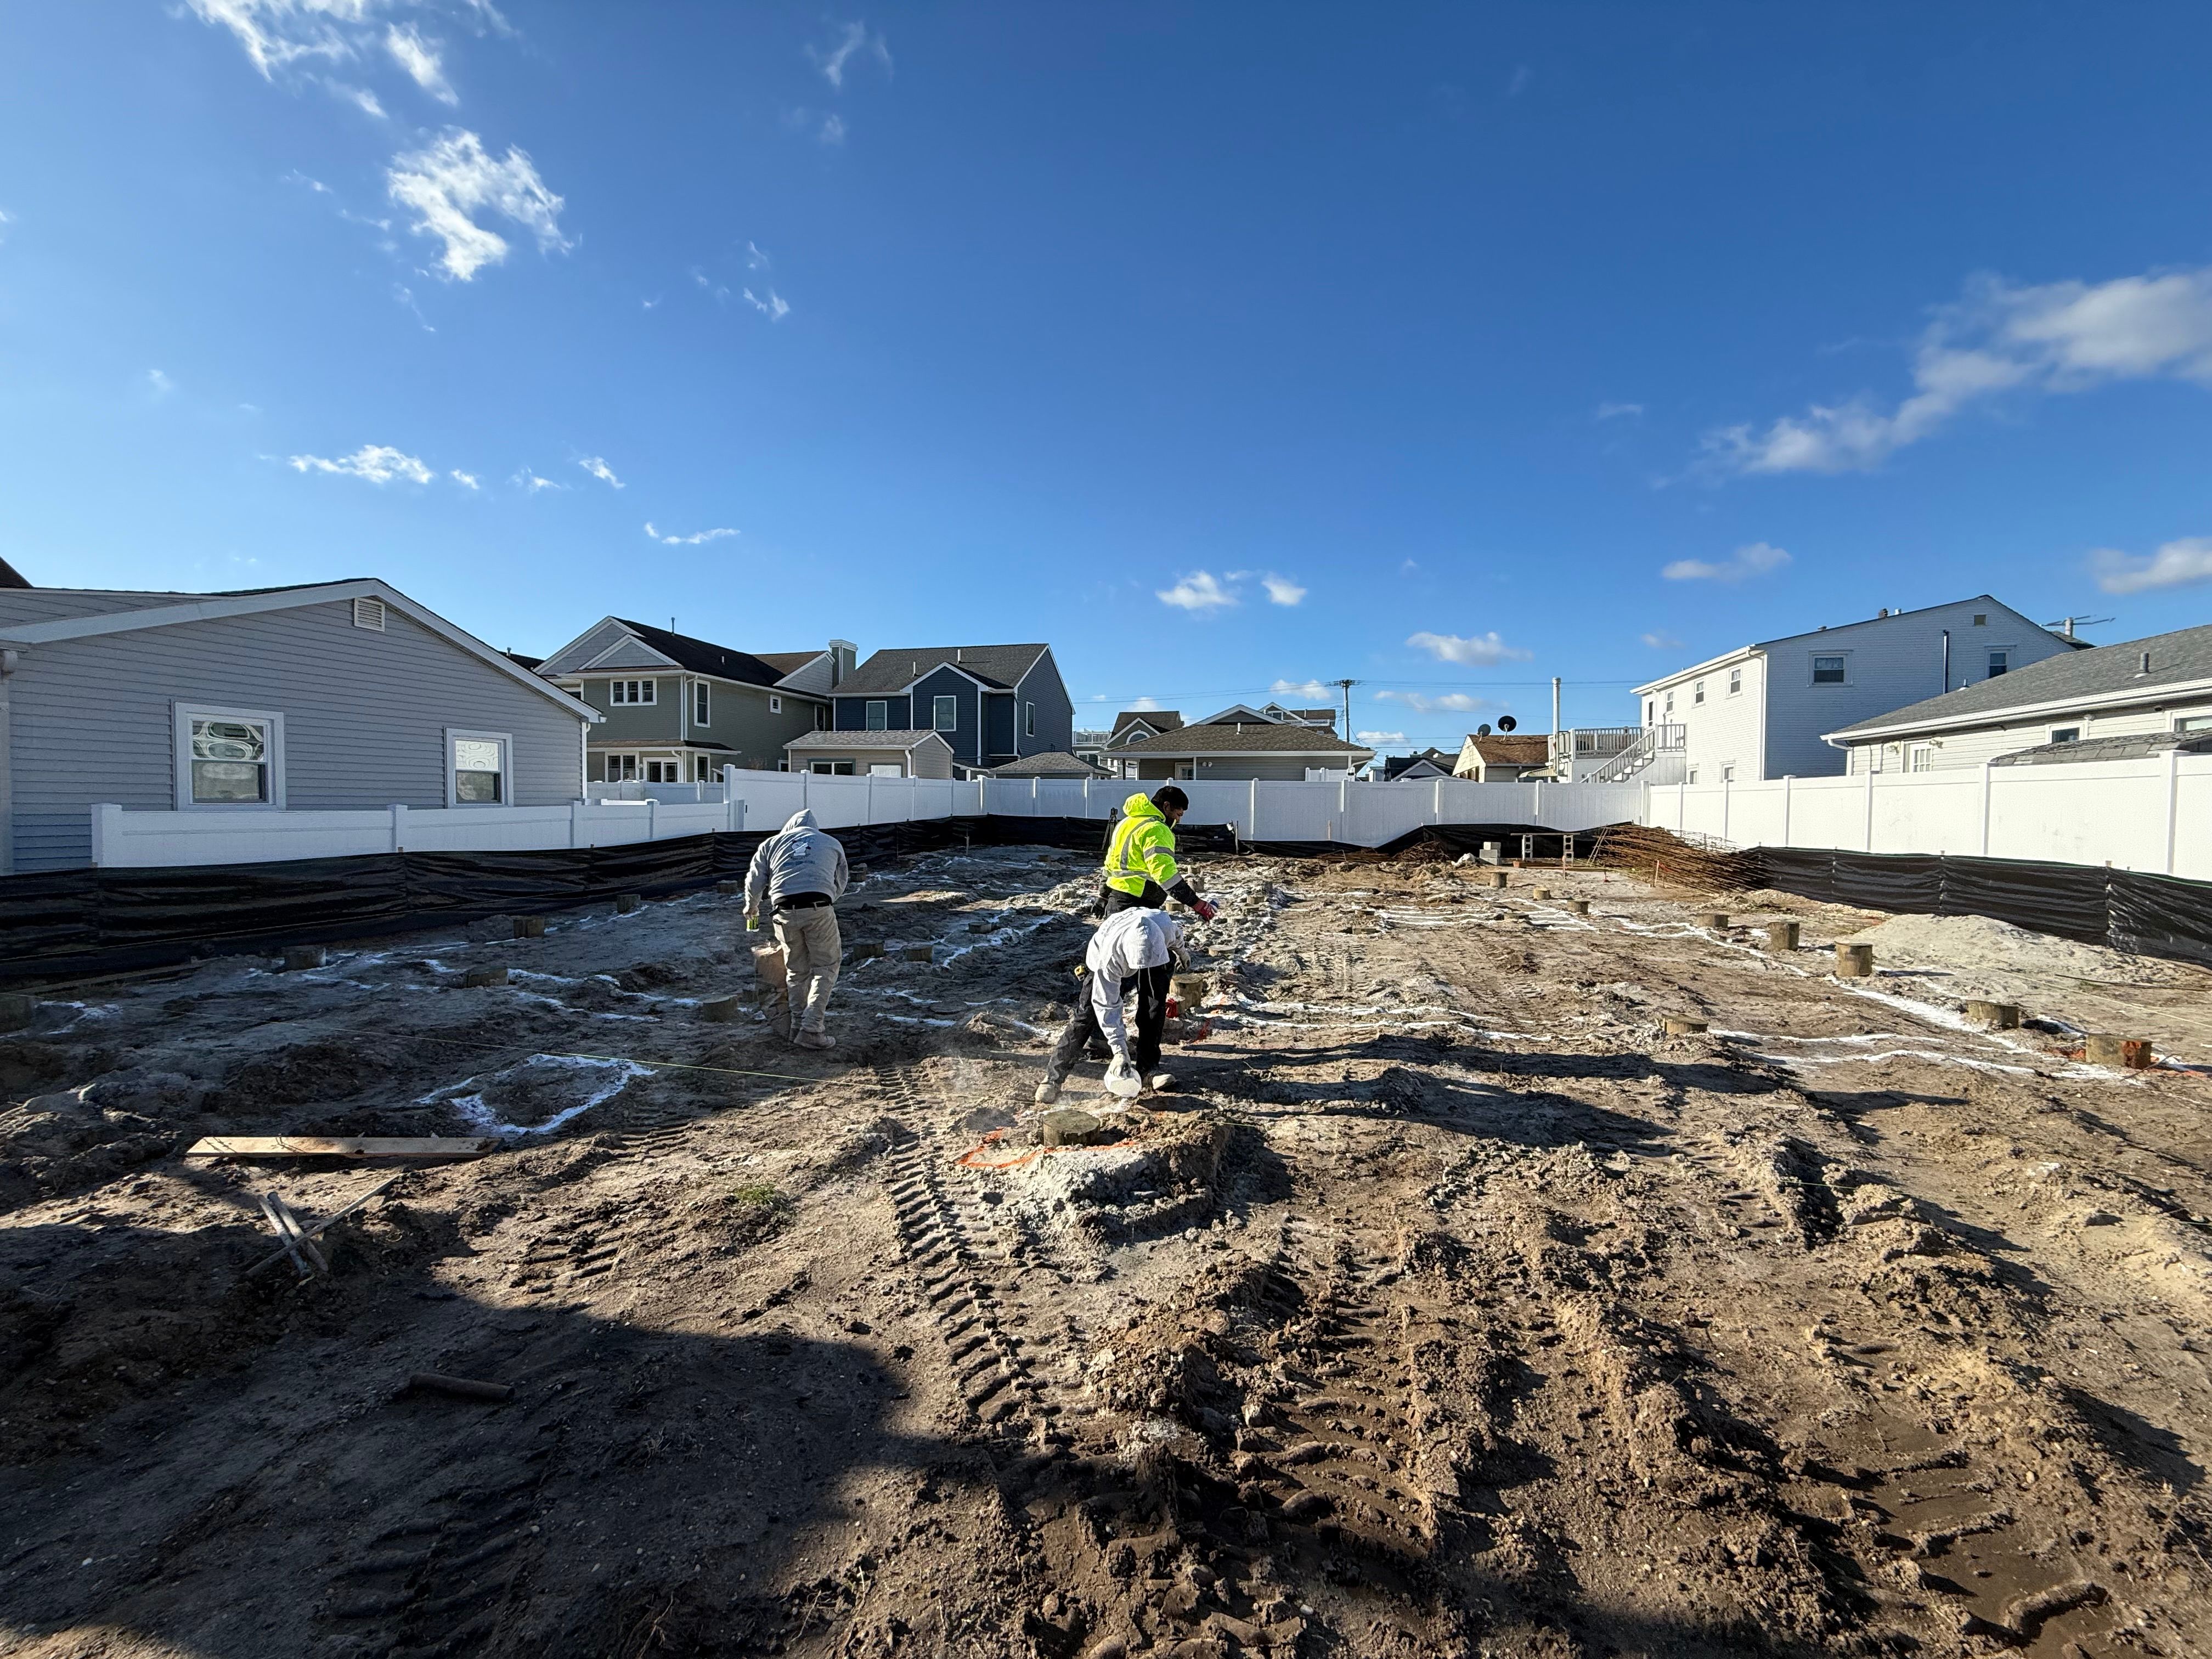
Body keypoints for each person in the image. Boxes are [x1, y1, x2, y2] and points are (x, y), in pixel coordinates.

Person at [1035, 904, 1186, 1105]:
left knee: (1154, 1007)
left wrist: (1183, 953)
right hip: (1107, 950)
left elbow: (1175, 936)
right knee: (1086, 1016)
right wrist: (1119, 1050)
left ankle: (1148, 1070)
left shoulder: (1162, 924)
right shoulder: (1108, 960)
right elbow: (1107, 1005)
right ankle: (1054, 1078)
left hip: (1155, 950)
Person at [743, 807, 850, 1049]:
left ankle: (796, 1028)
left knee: (796, 970)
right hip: (819, 906)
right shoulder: (830, 842)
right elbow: (841, 879)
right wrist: (827, 899)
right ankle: (811, 1029)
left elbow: (755, 878)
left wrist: (752, 907)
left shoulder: (771, 844)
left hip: (783, 910)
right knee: (826, 966)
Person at [1101, 787, 1218, 920]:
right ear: (1167, 806)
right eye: (1179, 814)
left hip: (1115, 900)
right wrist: (1197, 904)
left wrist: (1103, 895)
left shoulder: (1125, 824)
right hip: (1139, 904)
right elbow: (1165, 874)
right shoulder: (1157, 829)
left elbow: (1110, 863)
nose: (1179, 820)